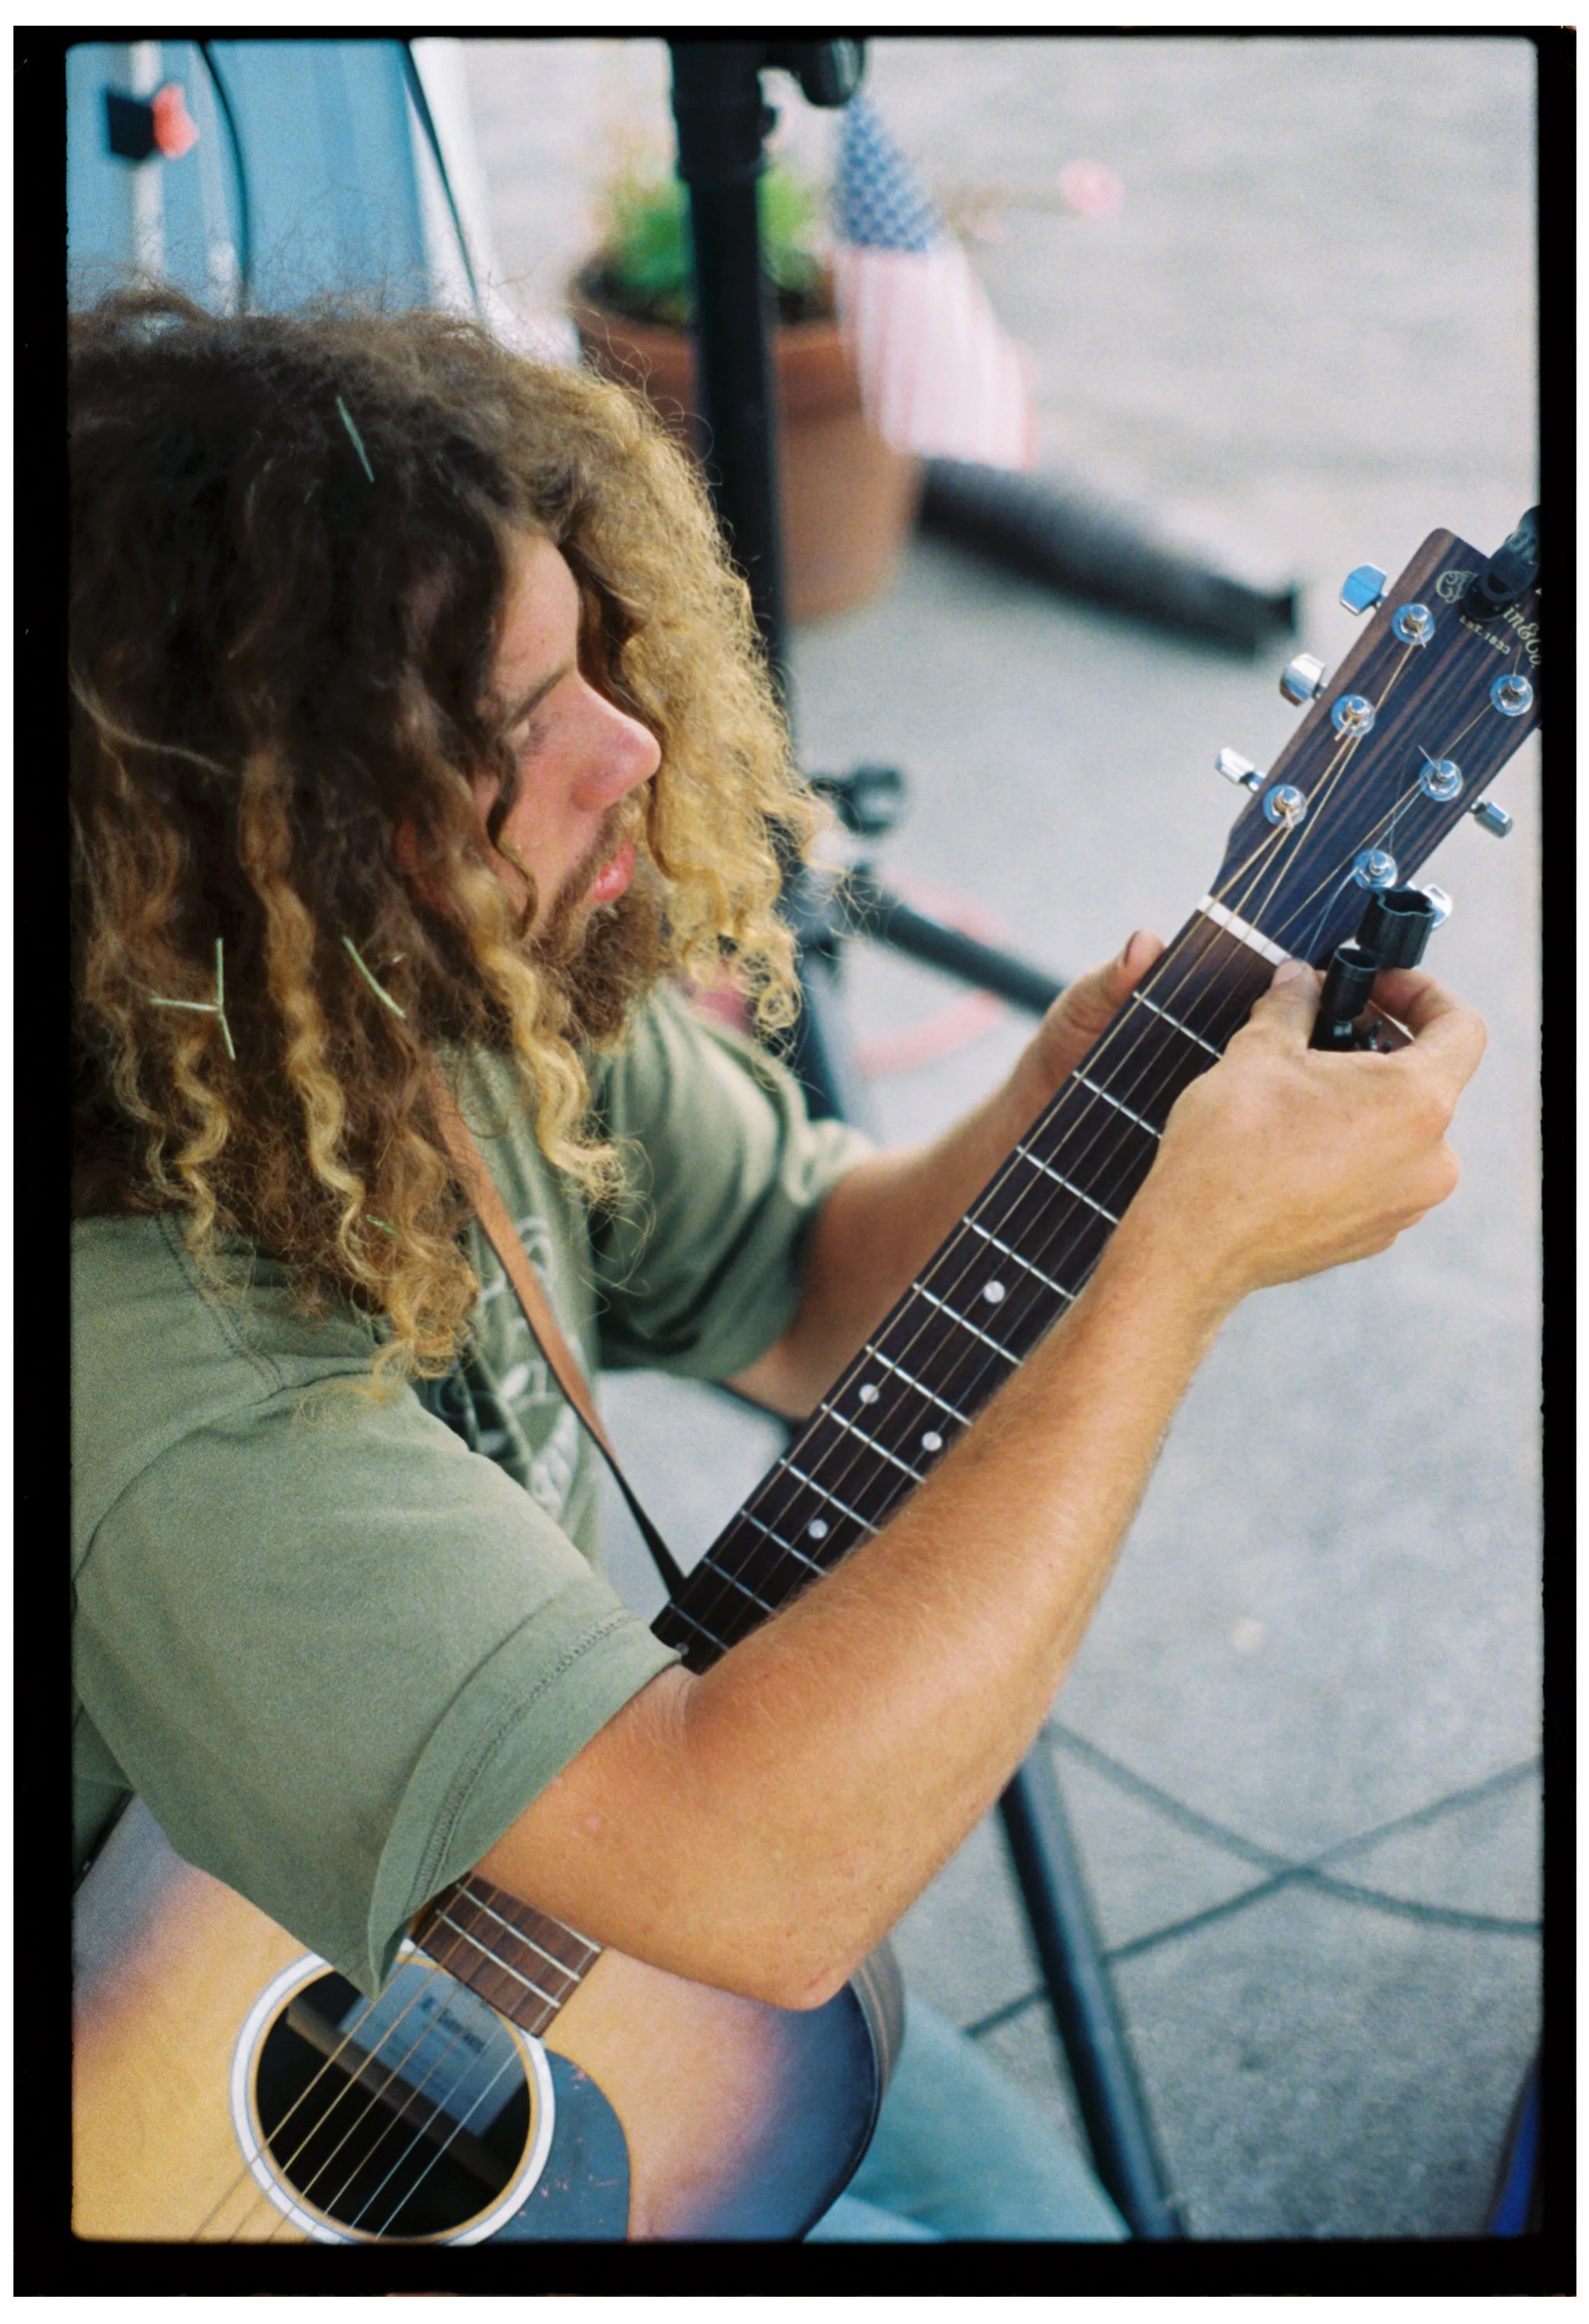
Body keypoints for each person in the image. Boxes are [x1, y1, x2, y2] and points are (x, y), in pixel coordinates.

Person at [70, 290, 1484, 2244]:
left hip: (595, 1888)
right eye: (506, 733)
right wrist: (1177, 1269)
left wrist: (1069, 1119)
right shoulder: (148, 1380)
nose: (631, 743)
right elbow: (766, 1880)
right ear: (251, 852)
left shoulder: (424, 987)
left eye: (586, 655)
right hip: (210, 2111)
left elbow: (825, 1295)